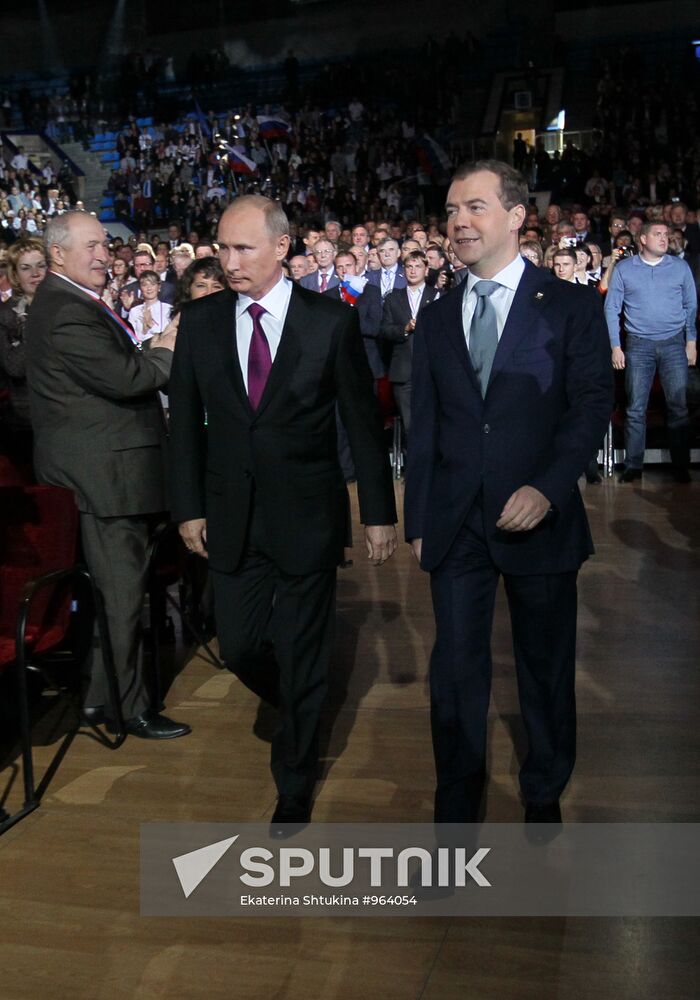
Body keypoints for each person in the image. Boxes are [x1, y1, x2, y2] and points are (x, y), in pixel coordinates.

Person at [168, 195, 397, 834]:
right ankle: (301, 702)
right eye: (222, 247)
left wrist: (378, 512)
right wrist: (188, 506)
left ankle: (295, 778)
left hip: (307, 515)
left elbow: (362, 422)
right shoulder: (201, 320)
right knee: (240, 646)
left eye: (243, 248)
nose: (229, 260)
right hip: (229, 514)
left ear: (281, 247)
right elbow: (183, 423)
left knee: (302, 651)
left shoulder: (330, 321)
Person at [404, 161, 612, 826]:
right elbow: (424, 423)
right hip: (456, 520)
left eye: (474, 207)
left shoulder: (572, 306)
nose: (458, 222)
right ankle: (456, 807)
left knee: (544, 667)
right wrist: (418, 520)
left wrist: (548, 489)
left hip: (540, 518)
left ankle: (544, 786)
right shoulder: (437, 316)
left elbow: (590, 407)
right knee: (455, 672)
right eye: (450, 210)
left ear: (517, 216)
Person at [25, 211, 190, 740]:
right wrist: (165, 348)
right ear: (57, 254)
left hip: (107, 472)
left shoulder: (70, 301)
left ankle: (101, 698)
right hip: (105, 478)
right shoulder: (65, 310)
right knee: (121, 600)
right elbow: (127, 378)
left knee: (116, 597)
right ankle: (129, 709)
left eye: (105, 244)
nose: (104, 254)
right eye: (92, 246)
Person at [605, 221, 697, 483]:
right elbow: (612, 308)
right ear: (643, 239)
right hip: (638, 345)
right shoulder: (625, 269)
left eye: (666, 234)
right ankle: (634, 465)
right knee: (636, 408)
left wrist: (691, 341)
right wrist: (615, 346)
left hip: (673, 343)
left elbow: (691, 305)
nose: (664, 238)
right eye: (657, 234)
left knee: (678, 407)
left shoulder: (680, 267)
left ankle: (681, 465)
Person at [0, 236, 47, 470]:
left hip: (67, 414)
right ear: (16, 275)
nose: (35, 274)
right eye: (26, 268)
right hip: (26, 419)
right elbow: (14, 367)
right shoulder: (7, 314)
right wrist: (34, 323)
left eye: (41, 265)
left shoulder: (65, 307)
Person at [379, 250, 437, 437]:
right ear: (403, 270)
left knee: (431, 422)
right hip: (403, 371)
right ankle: (412, 456)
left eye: (418, 266)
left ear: (426, 270)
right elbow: (385, 330)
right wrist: (405, 329)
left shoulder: (438, 296)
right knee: (410, 425)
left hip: (431, 370)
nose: (413, 270)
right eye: (409, 267)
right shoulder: (392, 298)